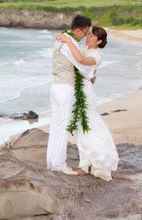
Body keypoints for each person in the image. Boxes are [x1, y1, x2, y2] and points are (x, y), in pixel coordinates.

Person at [58, 27, 119, 181]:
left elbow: (81, 60)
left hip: (85, 93)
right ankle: (87, 164)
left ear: (99, 41)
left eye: (93, 36)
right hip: (82, 89)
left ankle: (88, 165)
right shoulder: (85, 48)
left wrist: (67, 41)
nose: (89, 37)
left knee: (87, 125)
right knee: (82, 126)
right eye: (89, 34)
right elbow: (92, 75)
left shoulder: (96, 56)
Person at [46, 15, 92, 175]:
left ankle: (52, 162)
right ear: (79, 29)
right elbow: (83, 66)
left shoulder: (61, 39)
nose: (85, 36)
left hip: (56, 87)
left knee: (56, 126)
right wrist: (91, 70)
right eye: (85, 33)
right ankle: (59, 164)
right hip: (65, 88)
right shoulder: (68, 42)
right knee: (63, 126)